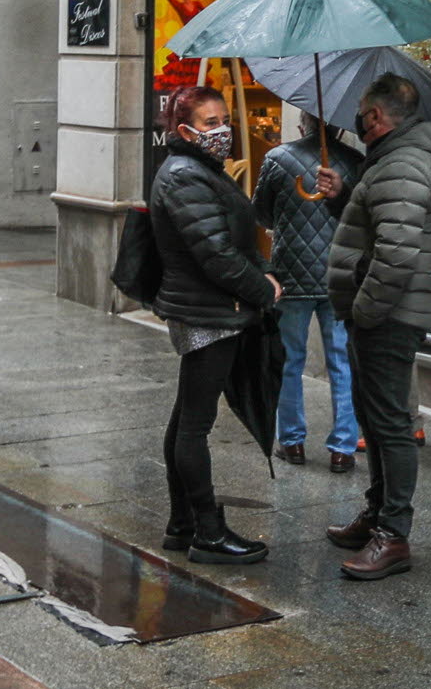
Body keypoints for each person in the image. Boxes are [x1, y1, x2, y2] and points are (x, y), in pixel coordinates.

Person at [149, 83, 278, 564]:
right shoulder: (185, 175)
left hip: (210, 307)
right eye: (210, 123)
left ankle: (182, 523)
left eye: (224, 119)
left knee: (187, 416)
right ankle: (205, 529)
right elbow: (215, 253)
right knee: (195, 424)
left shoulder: (197, 168)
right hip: (208, 312)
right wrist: (262, 288)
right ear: (184, 130)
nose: (222, 129)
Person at [326, 73, 431, 580]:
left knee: (391, 423)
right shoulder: (392, 161)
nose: (357, 118)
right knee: (375, 418)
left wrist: (366, 312)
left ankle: (393, 534)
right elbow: (375, 231)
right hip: (380, 313)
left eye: (361, 111)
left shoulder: (403, 162)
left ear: (376, 118)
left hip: (388, 316)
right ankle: (377, 515)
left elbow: (395, 256)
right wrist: (342, 196)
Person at [257, 110, 359, 475]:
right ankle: (343, 448)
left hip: (292, 274)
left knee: (289, 360)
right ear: (338, 126)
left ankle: (293, 441)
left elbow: (262, 214)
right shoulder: (356, 162)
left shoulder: (276, 158)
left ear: (303, 126)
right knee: (343, 363)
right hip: (339, 275)